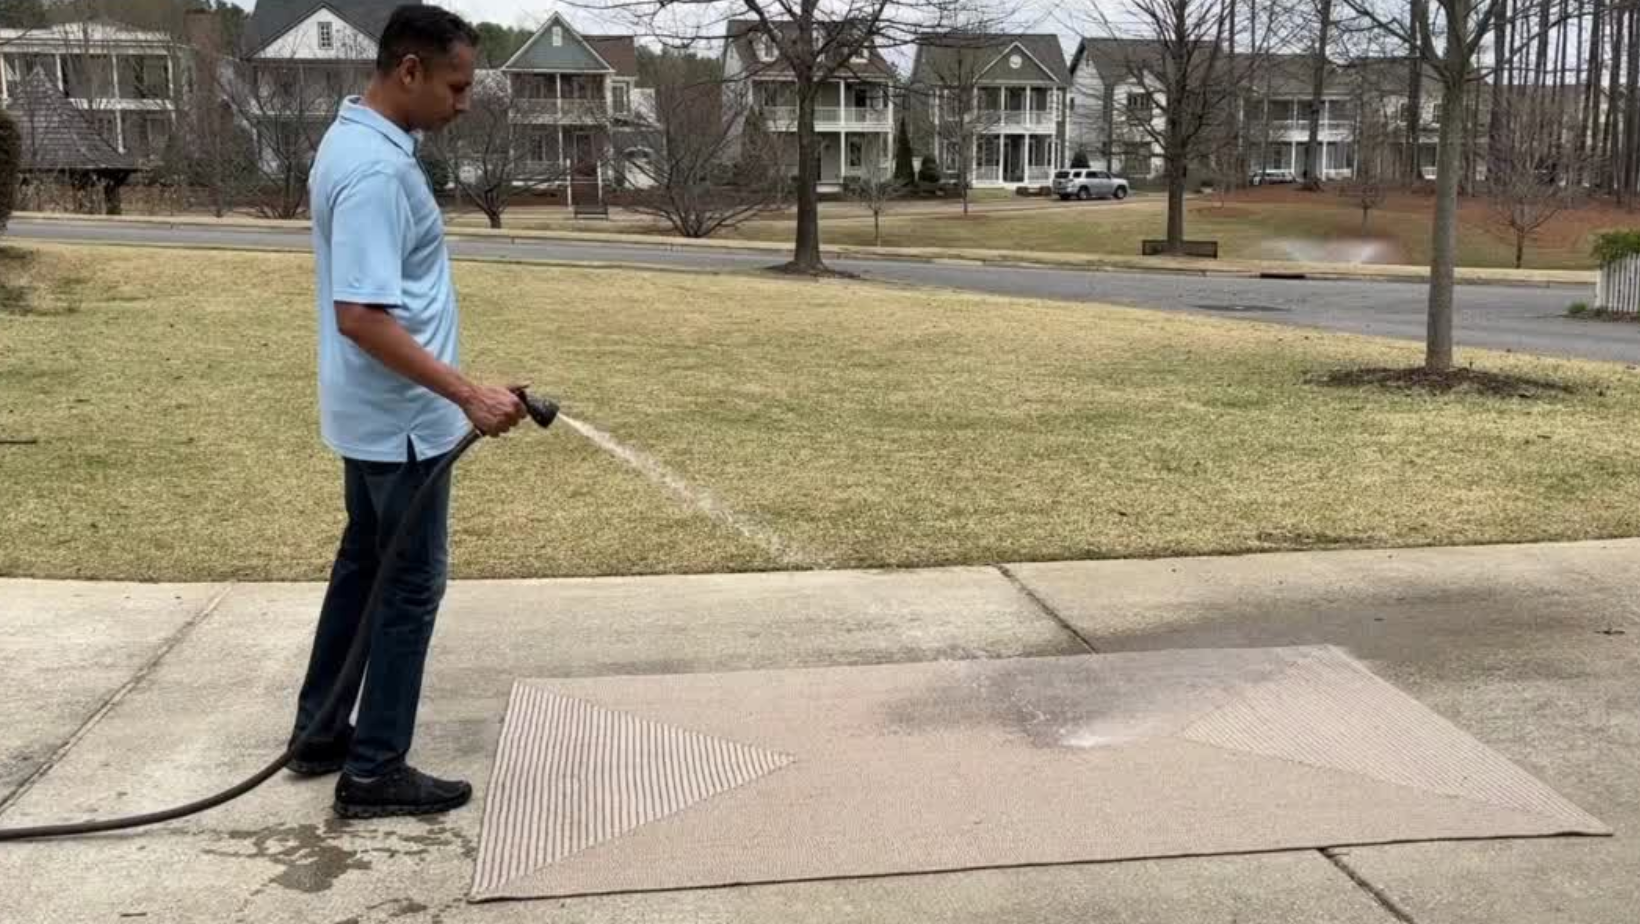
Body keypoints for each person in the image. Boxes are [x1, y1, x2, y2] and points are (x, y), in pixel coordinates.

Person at [288, 3, 526, 820]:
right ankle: (375, 767)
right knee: (410, 583)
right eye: (456, 86)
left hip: (375, 415)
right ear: (411, 70)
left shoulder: (352, 139)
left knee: (364, 564)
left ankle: (322, 733)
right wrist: (466, 393)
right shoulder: (378, 172)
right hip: (403, 422)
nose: (464, 103)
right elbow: (361, 314)